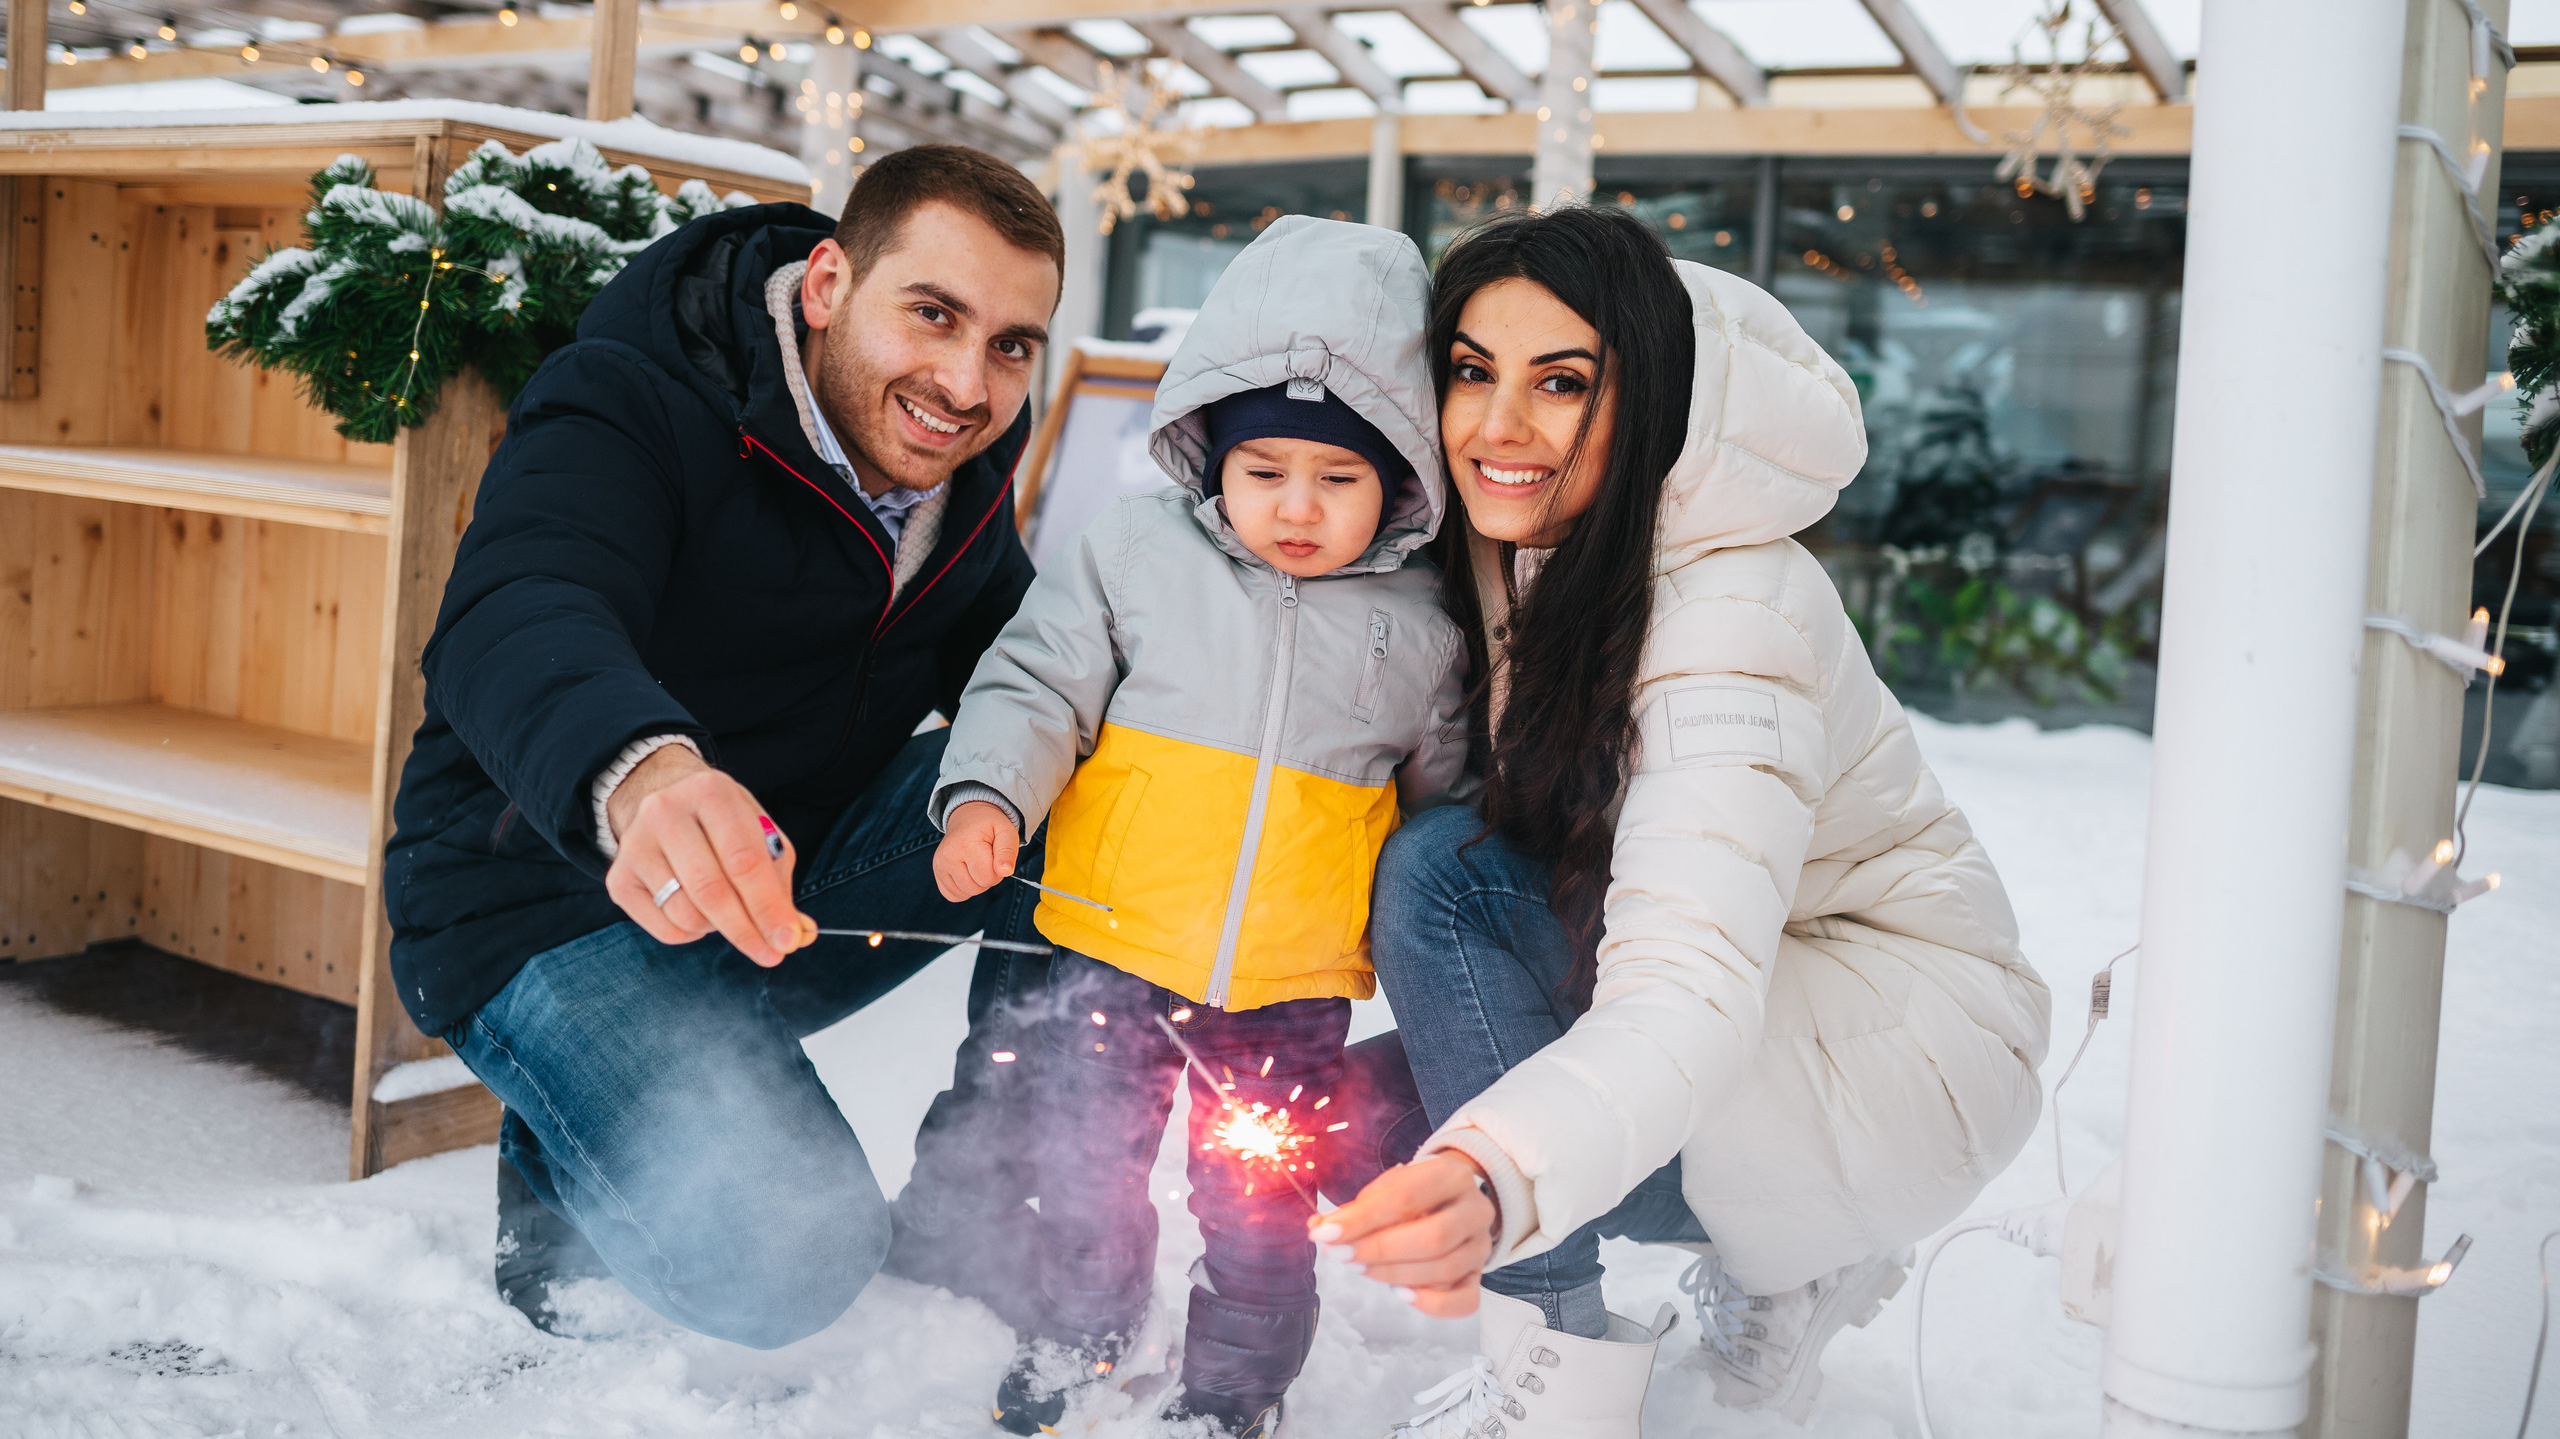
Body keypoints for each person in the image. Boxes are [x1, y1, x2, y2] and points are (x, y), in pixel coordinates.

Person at [1308, 207, 2052, 1431]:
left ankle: (1556, 1363)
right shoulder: (1527, 545)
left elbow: (1685, 985)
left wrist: (1499, 1178)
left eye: (1562, 383)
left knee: (1444, 878)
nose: (1497, 425)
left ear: (1651, 396)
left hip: (1900, 1055)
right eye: (1472, 372)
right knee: (1341, 1127)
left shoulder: (1728, 613)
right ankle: (1790, 1256)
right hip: (1774, 1017)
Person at [384, 144, 1066, 1347]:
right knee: (793, 1259)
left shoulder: (956, 474)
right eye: (933, 313)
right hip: (540, 897)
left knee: (1070, 785)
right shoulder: (631, 394)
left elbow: (1022, 673)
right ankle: (564, 1175)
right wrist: (645, 773)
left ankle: (976, 1193)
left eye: (1010, 345)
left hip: (774, 887)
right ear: (827, 285)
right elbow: (523, 603)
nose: (967, 382)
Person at [929, 216, 1469, 1438]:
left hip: (1288, 982)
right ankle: (1079, 1327)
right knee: (1082, 1169)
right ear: (1211, 448)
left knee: (1259, 1203)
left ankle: (1235, 1385)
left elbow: (1444, 804)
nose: (1296, 506)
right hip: (1106, 946)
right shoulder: (1134, 552)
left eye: (1338, 479)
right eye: (1263, 469)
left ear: (1398, 475)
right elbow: (1036, 684)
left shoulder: (1425, 623)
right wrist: (989, 797)